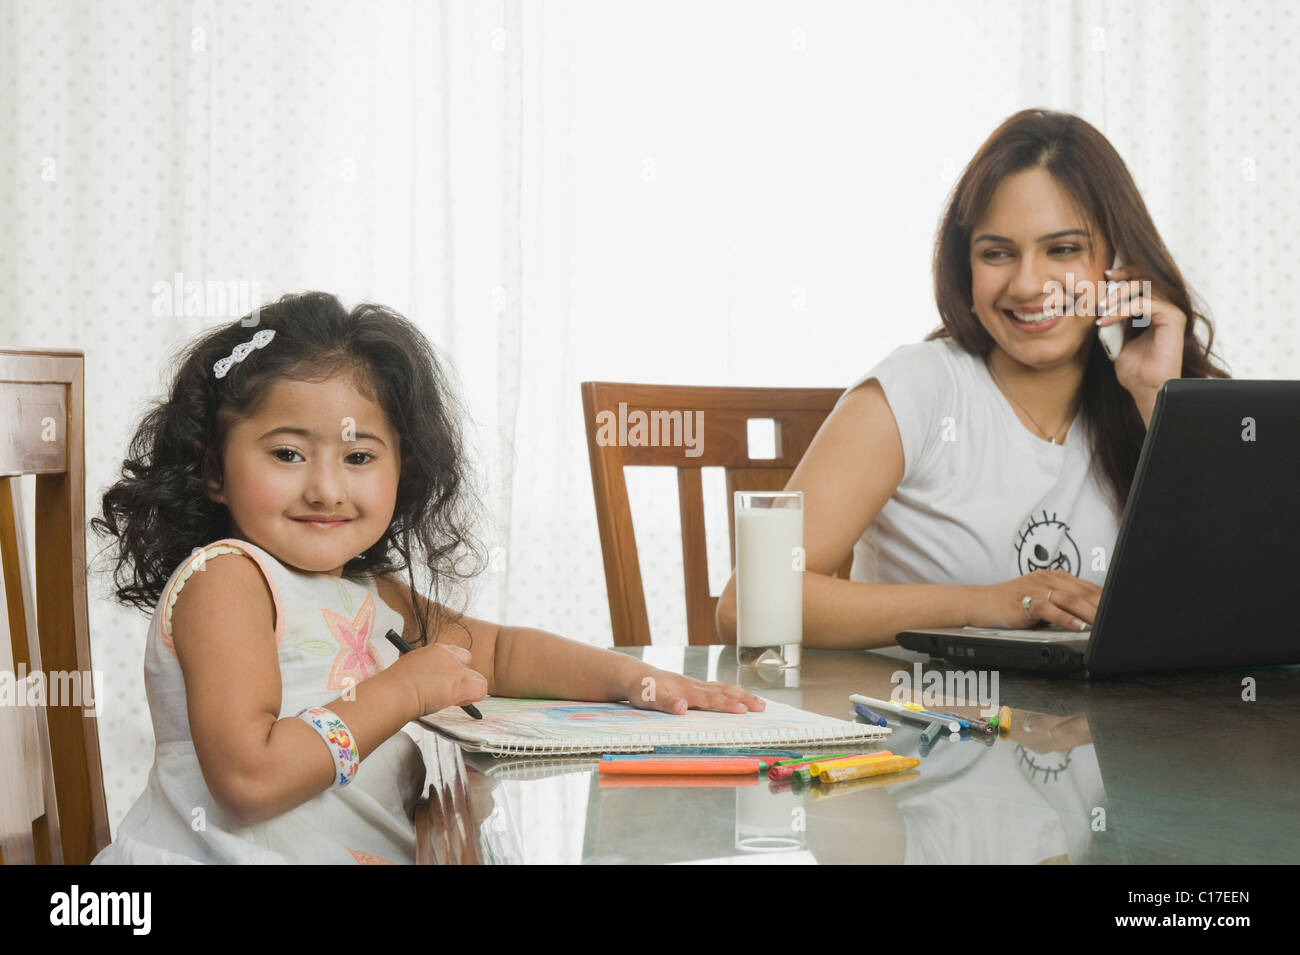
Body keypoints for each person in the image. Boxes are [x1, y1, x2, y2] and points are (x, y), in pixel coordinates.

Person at [90, 291, 764, 864]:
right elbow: (250, 776)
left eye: (359, 455)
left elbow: (497, 652)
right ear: (214, 467)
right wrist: (404, 687)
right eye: (288, 452)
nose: (326, 487)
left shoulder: (366, 588)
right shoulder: (228, 580)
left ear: (401, 471)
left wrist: (631, 678)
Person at [717, 108, 1230, 649]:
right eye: (997, 253)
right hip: (924, 725)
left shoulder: (1148, 397)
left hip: (1097, 730)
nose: (1029, 285)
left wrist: (1159, 401)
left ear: (1119, 261)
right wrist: (985, 604)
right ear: (966, 268)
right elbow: (749, 604)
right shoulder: (915, 390)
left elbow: (1237, 603)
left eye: (1063, 249)